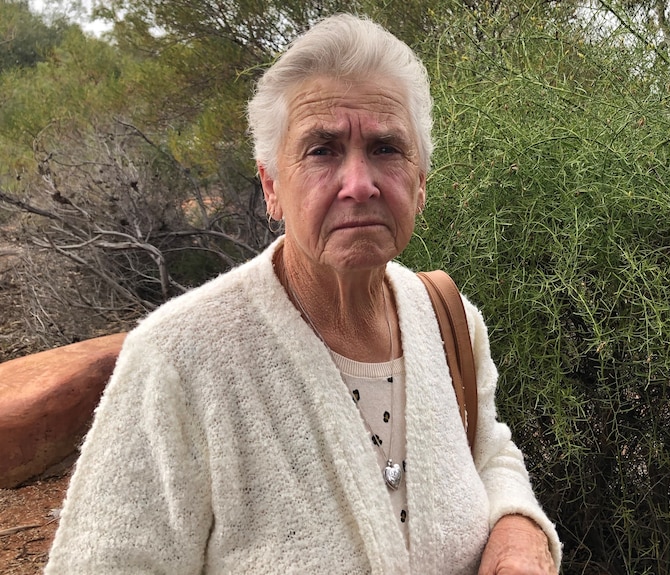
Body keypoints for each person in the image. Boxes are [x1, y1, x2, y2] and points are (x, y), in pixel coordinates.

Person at [46, 13, 561, 574]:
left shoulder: (449, 319)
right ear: (271, 185)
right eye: (322, 150)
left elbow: (489, 451)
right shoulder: (178, 359)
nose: (359, 183)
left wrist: (519, 531)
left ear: (420, 185)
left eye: (387, 148)